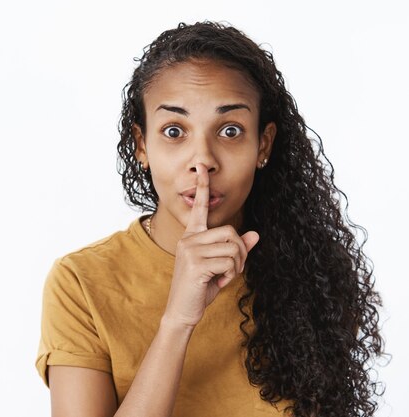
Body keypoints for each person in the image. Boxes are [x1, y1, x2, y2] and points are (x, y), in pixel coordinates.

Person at [35, 21, 383, 417]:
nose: (202, 160)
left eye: (230, 130)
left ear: (262, 145)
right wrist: (178, 320)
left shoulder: (313, 274)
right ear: (141, 145)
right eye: (174, 131)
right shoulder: (81, 283)